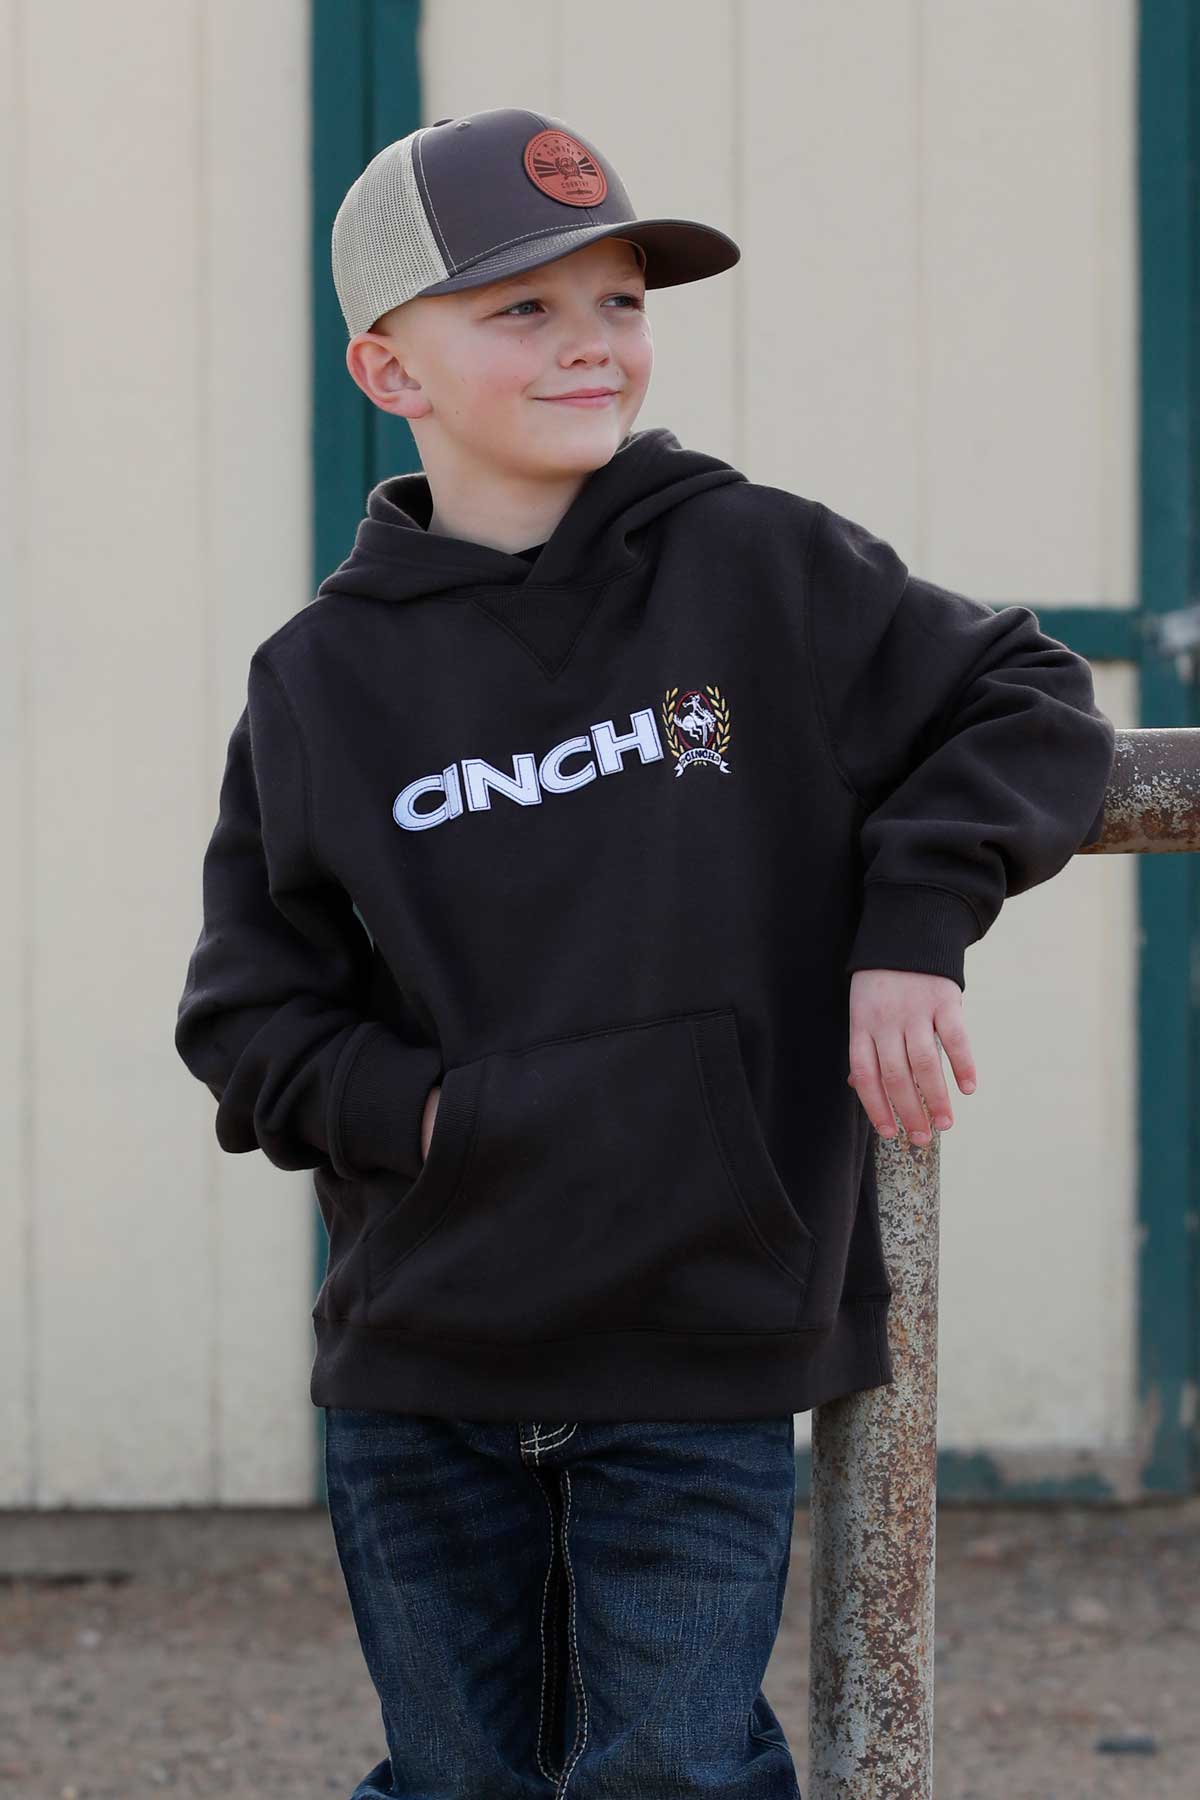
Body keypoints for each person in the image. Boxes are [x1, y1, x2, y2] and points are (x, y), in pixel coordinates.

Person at [173, 108, 1116, 1799]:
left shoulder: (753, 564)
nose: (591, 342)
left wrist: (914, 930)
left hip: (700, 1343)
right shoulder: (319, 681)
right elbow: (248, 1011)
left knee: (673, 1775)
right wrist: (436, 1119)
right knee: (457, 1781)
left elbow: (1027, 694)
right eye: (522, 308)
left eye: (618, 299)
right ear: (389, 369)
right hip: (427, 1361)